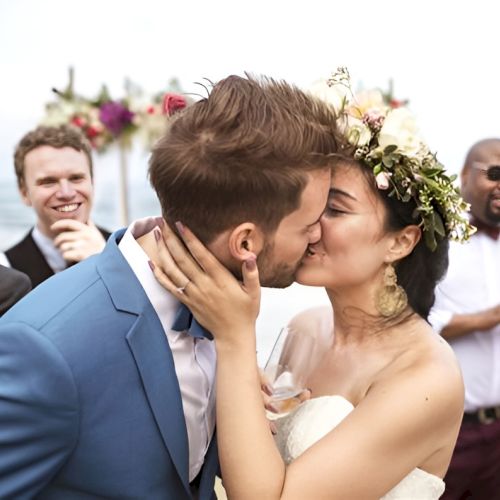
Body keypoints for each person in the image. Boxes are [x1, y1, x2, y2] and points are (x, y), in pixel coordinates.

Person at [0, 74, 342, 499]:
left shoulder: (227, 311)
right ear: (246, 243)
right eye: (309, 225)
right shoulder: (46, 348)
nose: (318, 236)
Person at [151, 73, 474, 499]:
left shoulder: (426, 377)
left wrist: (234, 338)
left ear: (400, 241)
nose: (310, 226)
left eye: (334, 209)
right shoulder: (306, 327)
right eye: (311, 204)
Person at [428, 138, 500, 500]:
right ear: (463, 176)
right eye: (495, 173)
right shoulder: (436, 241)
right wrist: (484, 319)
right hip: (449, 433)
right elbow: (415, 322)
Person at [2, 125, 110, 288]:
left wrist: (108, 265)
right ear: (24, 192)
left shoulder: (131, 251)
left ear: (92, 182)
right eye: (49, 181)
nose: (66, 193)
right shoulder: (5, 268)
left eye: (76, 178)